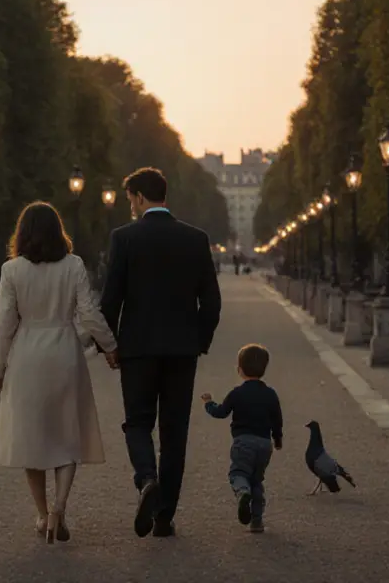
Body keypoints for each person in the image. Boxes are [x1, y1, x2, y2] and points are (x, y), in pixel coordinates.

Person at [0, 201, 121, 545]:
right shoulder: (73, 265)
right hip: (64, 351)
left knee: (31, 440)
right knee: (66, 435)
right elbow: (89, 314)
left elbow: (4, 325)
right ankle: (61, 507)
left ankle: (42, 512)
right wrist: (109, 346)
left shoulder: (12, 270)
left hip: (27, 355)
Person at [101, 167, 222, 538]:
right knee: (174, 432)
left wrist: (109, 345)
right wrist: (197, 342)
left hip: (137, 349)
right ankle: (164, 516)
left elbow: (110, 300)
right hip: (181, 351)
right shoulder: (195, 239)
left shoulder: (124, 238)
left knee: (137, 422)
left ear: (138, 197)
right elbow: (212, 303)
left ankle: (146, 479)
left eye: (130, 201)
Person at [200, 344, 283, 533]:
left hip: (243, 442)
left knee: (238, 474)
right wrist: (277, 439)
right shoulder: (270, 394)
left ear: (239, 369)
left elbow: (220, 412)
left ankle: (242, 492)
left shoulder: (237, 393)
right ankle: (257, 521)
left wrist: (208, 403)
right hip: (264, 445)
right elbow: (277, 419)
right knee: (257, 480)